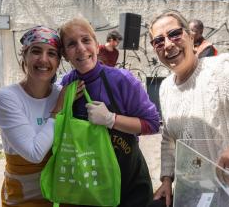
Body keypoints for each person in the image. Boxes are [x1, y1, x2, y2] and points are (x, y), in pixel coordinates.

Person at [148, 10, 229, 207]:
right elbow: (169, 138)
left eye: (174, 34)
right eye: (158, 40)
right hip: (194, 194)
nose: (168, 44)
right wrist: (167, 179)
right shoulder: (165, 87)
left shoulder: (220, 71)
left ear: (191, 37)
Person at [58, 17, 160, 207]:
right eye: (72, 44)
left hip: (130, 187)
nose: (81, 48)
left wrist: (111, 119)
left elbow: (152, 124)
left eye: (86, 40)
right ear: (64, 54)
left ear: (97, 46)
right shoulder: (65, 86)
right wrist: (60, 107)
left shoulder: (122, 80)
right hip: (89, 187)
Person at [0, 26, 63, 207]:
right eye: (36, 51)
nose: (44, 59)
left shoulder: (61, 93)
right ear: (24, 55)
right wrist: (57, 111)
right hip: (24, 196)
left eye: (52, 53)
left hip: (61, 194)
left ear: (58, 61)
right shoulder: (7, 98)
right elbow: (34, 153)